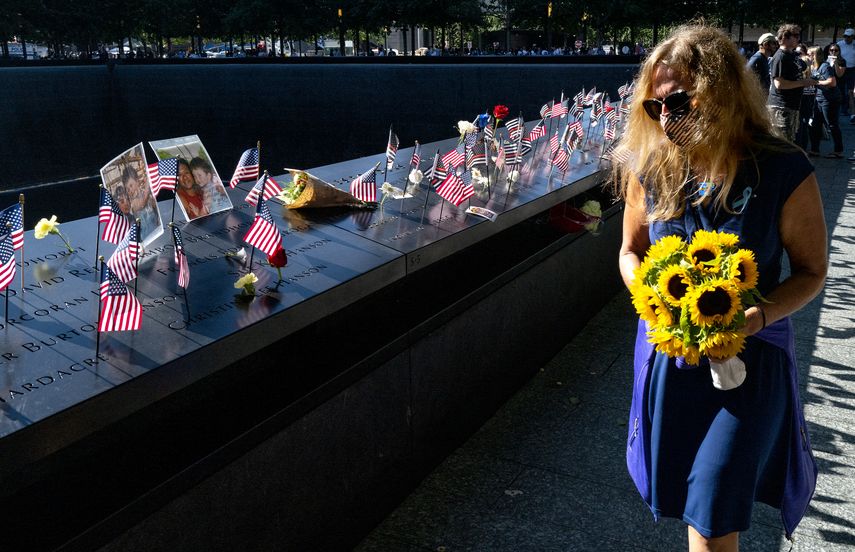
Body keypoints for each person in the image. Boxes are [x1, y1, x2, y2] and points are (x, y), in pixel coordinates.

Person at [612, 24, 827, 552]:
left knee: (712, 510)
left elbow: (811, 272)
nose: (665, 119)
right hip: (672, 361)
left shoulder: (783, 169)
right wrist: (654, 301)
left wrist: (755, 317)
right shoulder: (652, 166)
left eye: (680, 102)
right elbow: (630, 252)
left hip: (749, 368)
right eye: (653, 108)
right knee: (695, 507)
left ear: (722, 93)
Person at [767, 24, 818, 142]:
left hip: (791, 107)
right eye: (795, 35)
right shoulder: (780, 57)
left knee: (790, 141)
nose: (798, 38)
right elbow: (779, 84)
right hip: (780, 108)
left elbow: (803, 66)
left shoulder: (792, 55)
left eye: (798, 35)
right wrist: (803, 83)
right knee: (782, 144)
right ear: (784, 37)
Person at [807, 46, 844, 158]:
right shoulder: (814, 66)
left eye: (810, 54)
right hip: (819, 99)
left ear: (815, 55)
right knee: (815, 125)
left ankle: (838, 151)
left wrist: (816, 82)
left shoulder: (825, 66)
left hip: (830, 99)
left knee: (832, 125)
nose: (808, 56)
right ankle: (815, 150)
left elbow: (832, 82)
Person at [120, 165, 161, 240]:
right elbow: (142, 203)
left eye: (131, 185)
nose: (130, 190)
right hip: (146, 234)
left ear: (137, 181)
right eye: (127, 189)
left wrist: (153, 202)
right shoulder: (133, 203)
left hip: (156, 227)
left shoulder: (144, 193)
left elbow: (154, 207)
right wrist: (147, 186)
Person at [746, 33, 777, 97]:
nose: (776, 46)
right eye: (773, 43)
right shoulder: (757, 58)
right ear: (765, 44)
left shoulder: (764, 58)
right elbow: (745, 75)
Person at [835, 28, 855, 118]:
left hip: (852, 70)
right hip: (842, 68)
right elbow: (835, 54)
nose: (846, 38)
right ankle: (843, 108)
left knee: (850, 91)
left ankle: (849, 110)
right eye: (845, 36)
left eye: (849, 36)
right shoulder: (839, 44)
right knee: (842, 89)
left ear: (852, 36)